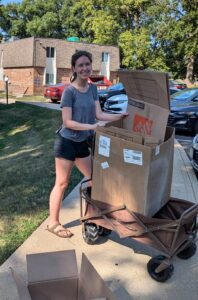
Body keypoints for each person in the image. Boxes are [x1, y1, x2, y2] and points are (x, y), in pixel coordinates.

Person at [47, 50, 128, 238]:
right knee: (62, 183)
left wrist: (120, 116)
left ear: (92, 66)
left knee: (95, 179)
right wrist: (92, 126)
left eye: (87, 64)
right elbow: (67, 122)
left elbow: (99, 114)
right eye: (80, 65)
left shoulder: (92, 89)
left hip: (82, 142)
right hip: (66, 142)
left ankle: (95, 216)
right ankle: (53, 222)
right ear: (74, 68)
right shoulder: (69, 92)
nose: (85, 68)